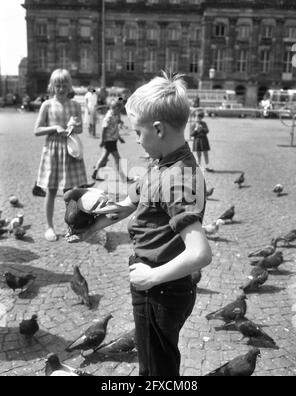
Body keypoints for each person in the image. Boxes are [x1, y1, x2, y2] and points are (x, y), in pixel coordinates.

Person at [81, 71, 212, 376]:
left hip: (163, 288)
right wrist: (92, 226)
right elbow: (129, 203)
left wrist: (152, 277)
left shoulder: (180, 179)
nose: (137, 141)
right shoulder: (160, 164)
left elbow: (200, 254)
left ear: (158, 129)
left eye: (138, 133)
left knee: (159, 370)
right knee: (149, 363)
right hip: (151, 281)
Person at [34, 69, 88, 242]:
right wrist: (55, 127)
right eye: (57, 85)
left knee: (70, 191)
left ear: (69, 86)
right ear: (52, 86)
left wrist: (73, 127)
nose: (61, 88)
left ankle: (71, 226)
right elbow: (37, 130)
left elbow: (80, 128)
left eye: (64, 85)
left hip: (70, 149)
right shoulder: (47, 105)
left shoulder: (75, 105)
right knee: (51, 190)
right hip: (53, 150)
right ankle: (49, 226)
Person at [91, 99, 132, 183]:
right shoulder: (108, 116)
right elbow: (104, 128)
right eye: (119, 108)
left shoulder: (116, 115)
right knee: (117, 158)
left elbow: (116, 127)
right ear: (114, 108)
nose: (120, 110)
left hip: (113, 140)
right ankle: (123, 177)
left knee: (104, 158)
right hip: (109, 140)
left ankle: (95, 173)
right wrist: (102, 140)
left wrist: (119, 138)